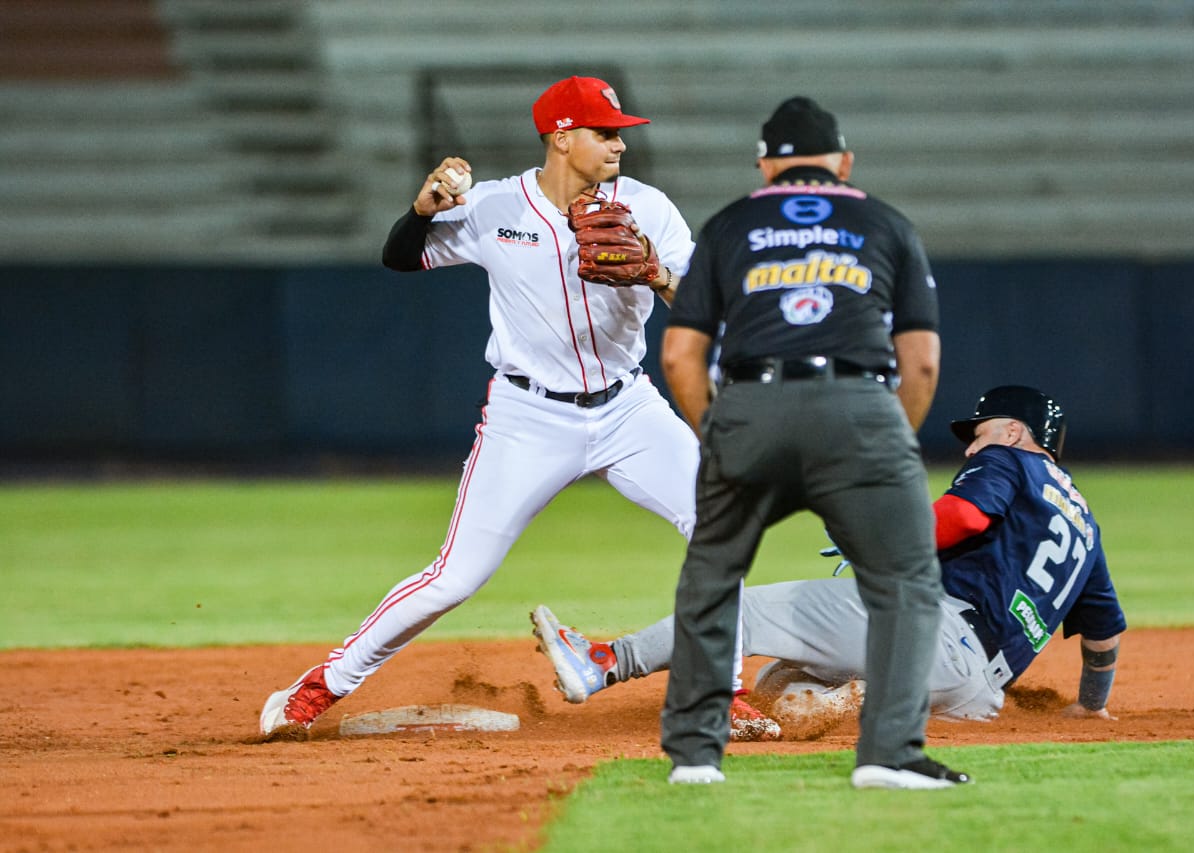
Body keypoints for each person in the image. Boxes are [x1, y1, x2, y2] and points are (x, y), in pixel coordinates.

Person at [258, 75, 773, 740]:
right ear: (561, 137)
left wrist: (655, 272)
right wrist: (420, 210)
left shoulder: (648, 207)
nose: (619, 143)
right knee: (455, 576)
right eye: (604, 131)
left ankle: (721, 693)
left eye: (620, 132)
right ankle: (318, 685)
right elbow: (400, 257)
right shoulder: (497, 206)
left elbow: (709, 310)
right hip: (529, 417)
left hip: (628, 408)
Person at [652, 94, 962, 788]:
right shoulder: (886, 223)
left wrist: (720, 432)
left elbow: (678, 356)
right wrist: (886, 443)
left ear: (766, 166)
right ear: (844, 163)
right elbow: (922, 363)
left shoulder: (729, 225)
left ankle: (697, 758)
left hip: (750, 403)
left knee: (712, 578)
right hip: (860, 408)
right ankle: (889, 753)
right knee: (905, 581)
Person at [531, 385, 1127, 732]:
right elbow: (1103, 637)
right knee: (780, 677)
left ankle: (606, 661)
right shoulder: (1087, 527)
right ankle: (849, 699)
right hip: (976, 696)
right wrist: (1089, 708)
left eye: (982, 429)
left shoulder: (1009, 461)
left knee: (744, 611)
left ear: (1018, 432)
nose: (972, 441)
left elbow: (967, 516)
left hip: (934, 633)